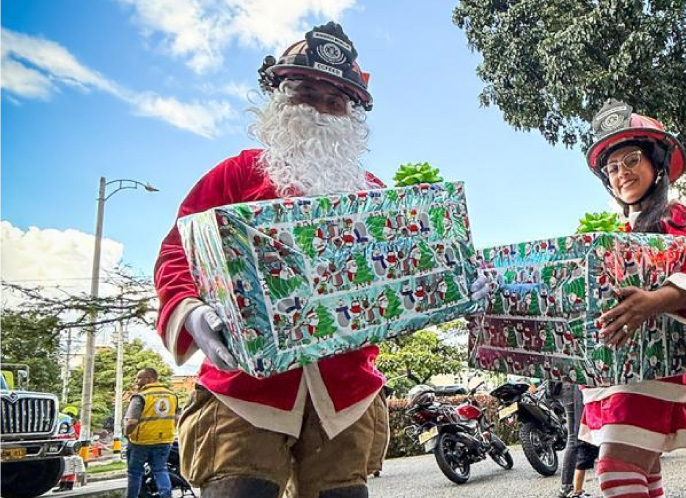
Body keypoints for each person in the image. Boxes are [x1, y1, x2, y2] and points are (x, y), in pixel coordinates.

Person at [154, 22, 488, 498]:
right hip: (245, 391)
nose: (320, 108)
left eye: (335, 100)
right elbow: (177, 252)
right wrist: (191, 312)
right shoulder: (236, 174)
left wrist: (457, 285)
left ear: (352, 114)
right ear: (280, 99)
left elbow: (413, 269)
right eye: (306, 93)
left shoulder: (373, 195)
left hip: (347, 396)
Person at [580, 100, 686, 498]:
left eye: (631, 160)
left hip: (657, 362)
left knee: (615, 469)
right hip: (619, 365)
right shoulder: (621, 232)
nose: (622, 173)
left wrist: (653, 301)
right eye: (612, 168)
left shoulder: (677, 216)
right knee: (643, 470)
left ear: (657, 164)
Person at [124, 368, 178, 498]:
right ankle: (166, 496)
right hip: (164, 441)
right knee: (160, 470)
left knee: (135, 473)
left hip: (141, 442)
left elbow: (131, 422)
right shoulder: (172, 395)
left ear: (149, 379)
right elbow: (176, 418)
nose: (136, 381)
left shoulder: (141, 396)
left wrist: (127, 434)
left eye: (139, 378)